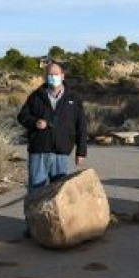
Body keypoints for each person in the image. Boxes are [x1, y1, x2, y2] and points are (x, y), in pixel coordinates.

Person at [17, 61, 87, 191]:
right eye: (49, 74)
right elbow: (22, 116)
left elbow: (81, 126)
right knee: (35, 192)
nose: (52, 77)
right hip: (38, 152)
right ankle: (34, 212)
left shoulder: (73, 98)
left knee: (58, 192)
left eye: (55, 74)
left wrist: (81, 152)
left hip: (61, 153)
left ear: (62, 75)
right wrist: (35, 122)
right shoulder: (36, 96)